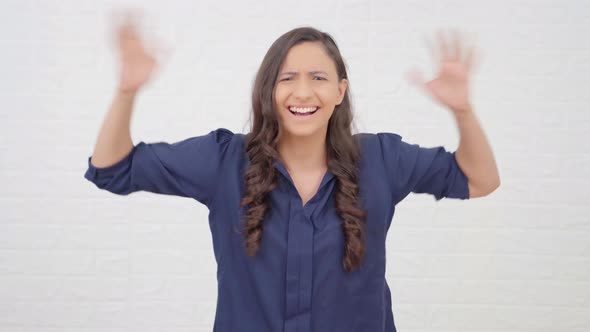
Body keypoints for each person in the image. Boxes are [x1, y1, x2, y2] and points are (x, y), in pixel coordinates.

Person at [84, 11, 500, 332]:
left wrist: (462, 110)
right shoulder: (223, 159)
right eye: (288, 78)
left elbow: (480, 180)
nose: (303, 92)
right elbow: (113, 169)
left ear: (340, 90)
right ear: (269, 91)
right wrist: (126, 91)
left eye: (318, 77)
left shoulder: (382, 159)